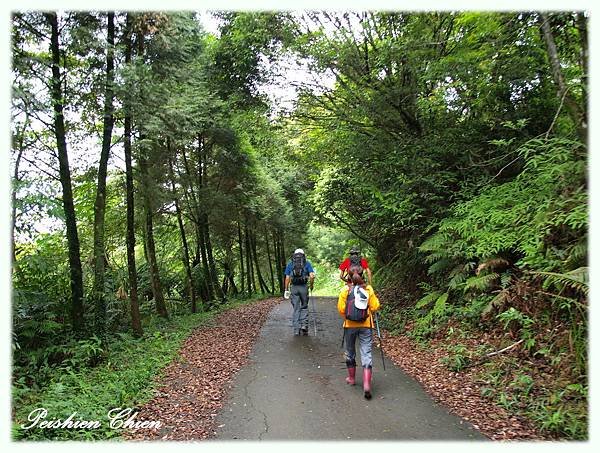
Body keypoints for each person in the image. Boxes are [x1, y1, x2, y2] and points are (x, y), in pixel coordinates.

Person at [337, 268, 380, 399]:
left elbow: (341, 309)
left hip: (349, 325)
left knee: (350, 351)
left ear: (349, 276)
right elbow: (375, 306)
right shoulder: (368, 289)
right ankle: (367, 384)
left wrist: (347, 317)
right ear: (362, 275)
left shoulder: (346, 290)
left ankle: (351, 378)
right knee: (366, 352)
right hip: (366, 325)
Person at [283, 248, 315, 336]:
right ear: (303, 255)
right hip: (304, 287)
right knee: (304, 306)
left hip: (294, 288)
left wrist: (286, 289)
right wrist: (311, 285)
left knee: (296, 308)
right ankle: (304, 325)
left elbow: (287, 278)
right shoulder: (306, 263)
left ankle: (296, 329)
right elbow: (312, 276)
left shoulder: (291, 264)